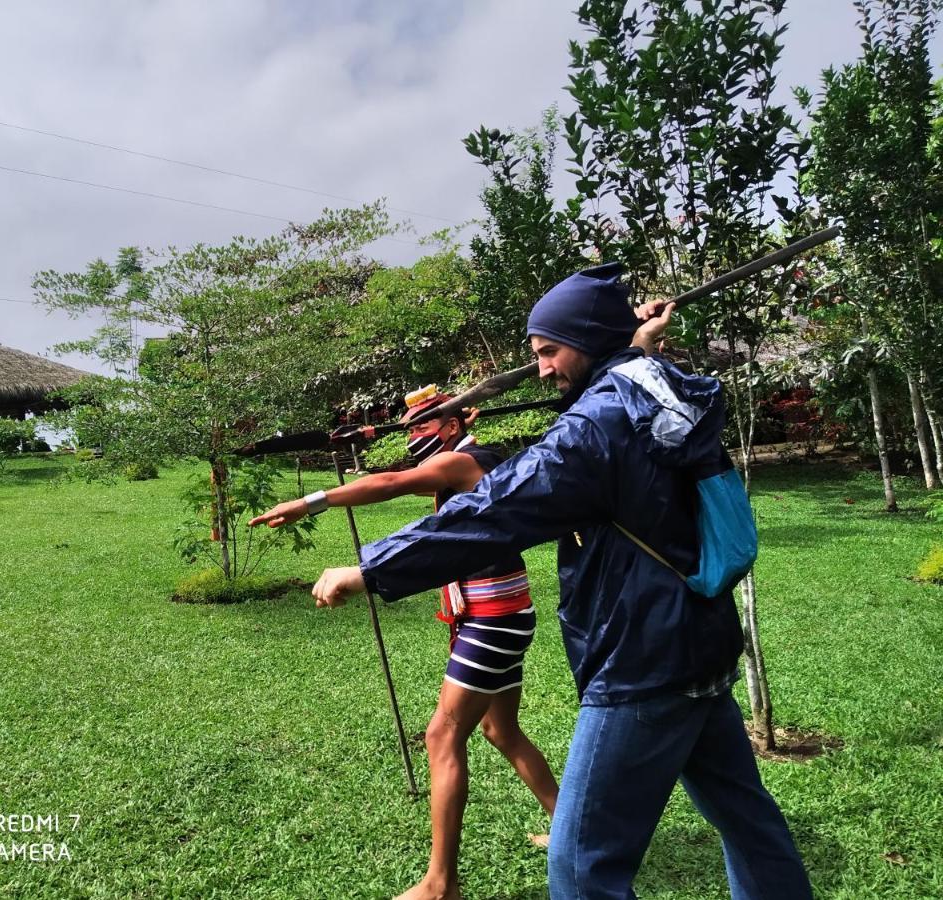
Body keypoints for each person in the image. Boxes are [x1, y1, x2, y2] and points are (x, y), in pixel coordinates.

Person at [310, 263, 812, 900]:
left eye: (550, 351)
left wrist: (371, 567)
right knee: (748, 822)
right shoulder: (658, 387)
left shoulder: (593, 429)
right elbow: (626, 386)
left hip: (642, 662)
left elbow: (497, 510)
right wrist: (637, 342)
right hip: (701, 642)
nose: (543, 368)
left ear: (589, 341)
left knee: (580, 868)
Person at [249, 385, 559, 900]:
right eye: (410, 426)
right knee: (500, 729)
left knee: (442, 737)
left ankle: (441, 885)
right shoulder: (471, 463)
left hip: (492, 617)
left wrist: (307, 502)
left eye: (422, 425)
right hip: (499, 611)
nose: (413, 435)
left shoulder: (464, 464)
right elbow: (391, 482)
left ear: (453, 425)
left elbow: (392, 481)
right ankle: (576, 833)